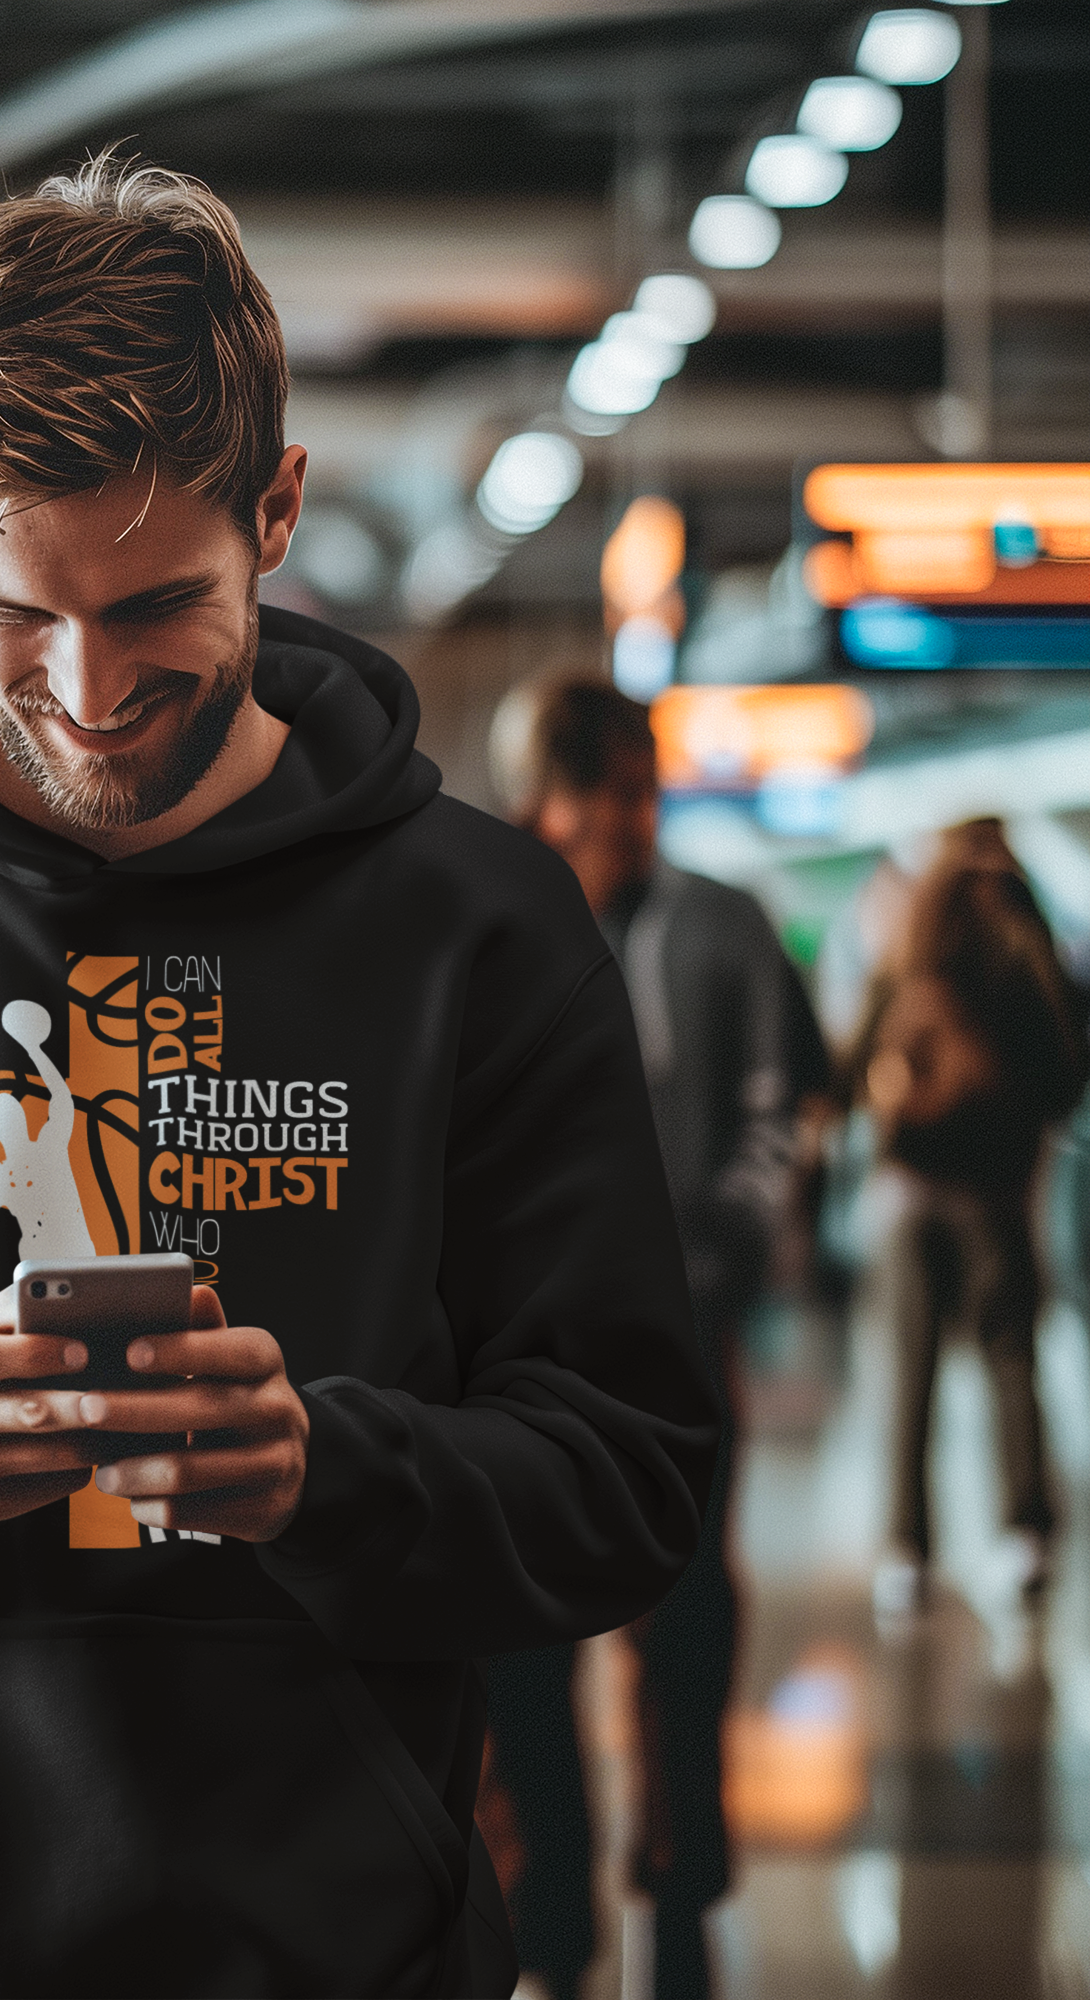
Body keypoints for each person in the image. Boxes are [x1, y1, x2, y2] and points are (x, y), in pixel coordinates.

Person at [0, 155, 716, 2000]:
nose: (85, 690)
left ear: (280, 511)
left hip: (348, 1950)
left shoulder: (476, 925)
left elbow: (630, 1476)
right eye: (19, 614)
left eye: (158, 603)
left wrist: (333, 1467)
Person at [482, 679, 830, 2000]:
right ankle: (547, 1915)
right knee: (519, 1634)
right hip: (515, 1355)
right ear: (536, 806)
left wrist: (716, 1278)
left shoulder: (723, 928)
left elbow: (775, 1113)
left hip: (676, 1340)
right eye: (594, 800)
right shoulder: (487, 932)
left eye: (638, 794)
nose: (622, 824)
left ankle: (680, 1889)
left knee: (683, 1620)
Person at [853, 821, 1087, 1612]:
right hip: (996, 1197)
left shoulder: (915, 937)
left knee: (907, 1373)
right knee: (1010, 1361)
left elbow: (856, 1057)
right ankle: (1026, 1534)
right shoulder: (1023, 939)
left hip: (910, 1195)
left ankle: (907, 1552)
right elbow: (1065, 1072)